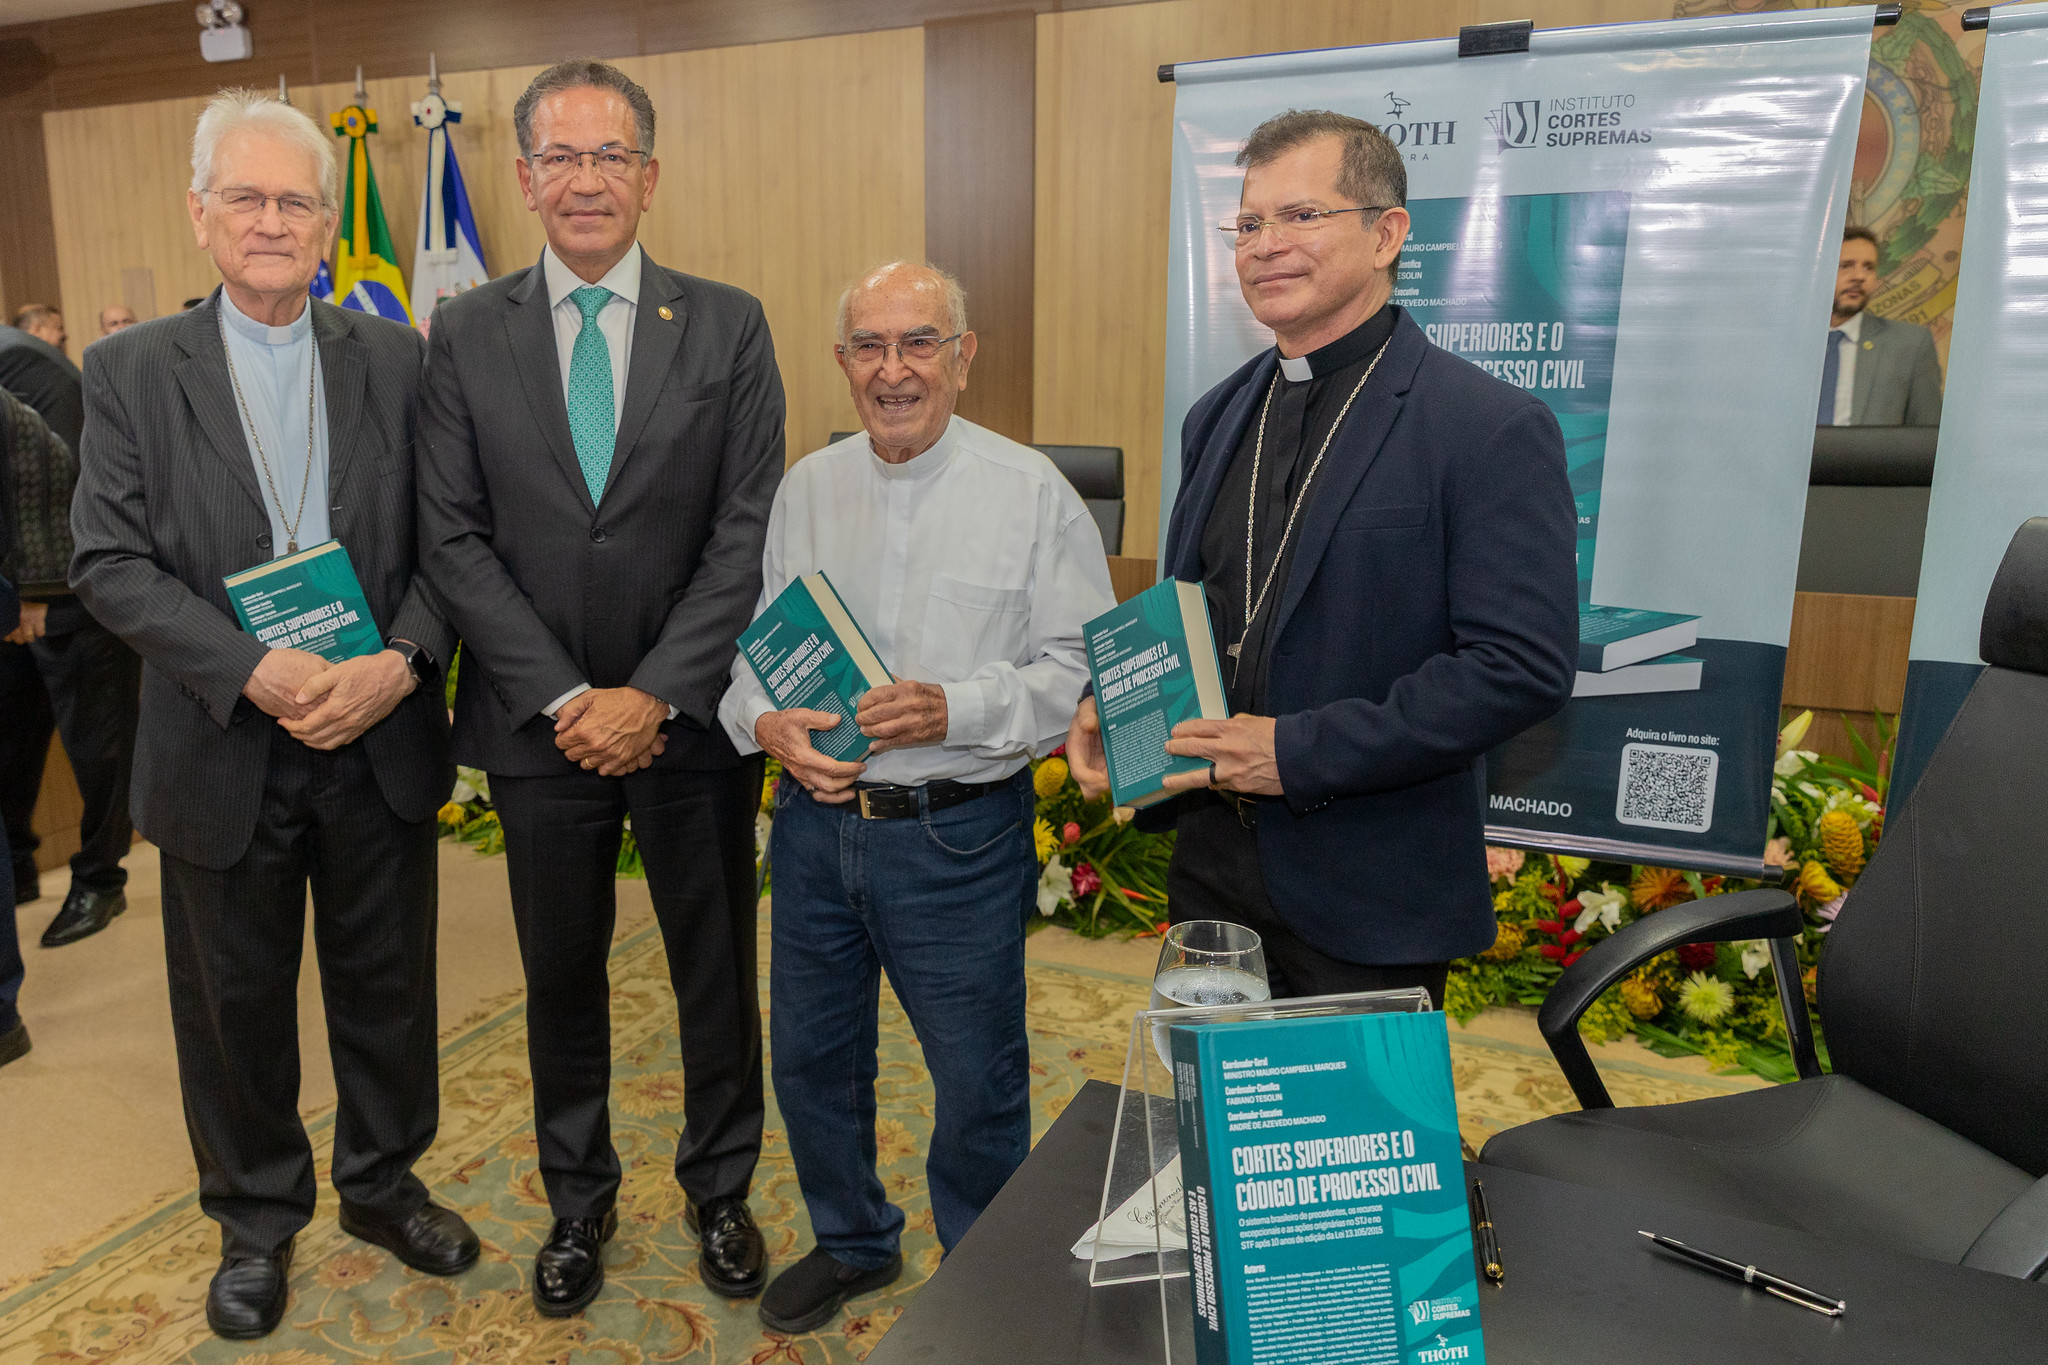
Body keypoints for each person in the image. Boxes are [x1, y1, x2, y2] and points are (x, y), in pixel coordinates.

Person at [69, 89, 477, 1339]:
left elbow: (448, 544)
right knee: (232, 1000)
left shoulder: (401, 357)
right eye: (244, 197)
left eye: (295, 199)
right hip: (222, 738)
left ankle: (382, 1183)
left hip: (376, 730)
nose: (272, 219)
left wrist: (398, 662)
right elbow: (107, 561)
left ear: (322, 224)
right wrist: (249, 666)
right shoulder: (129, 371)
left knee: (387, 985)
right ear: (200, 216)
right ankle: (255, 1222)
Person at [417, 58, 783, 1318]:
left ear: (649, 175)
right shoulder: (461, 334)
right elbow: (451, 536)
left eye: (609, 156)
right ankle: (577, 1202)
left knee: (714, 970)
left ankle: (719, 1187)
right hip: (539, 732)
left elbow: (747, 530)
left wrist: (658, 695)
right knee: (558, 975)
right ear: (522, 178)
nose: (585, 180)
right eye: (560, 159)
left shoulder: (726, 323)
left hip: (690, 729)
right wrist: (570, 699)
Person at [1067, 109, 1577, 1006]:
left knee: (1356, 1145)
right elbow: (1199, 605)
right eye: (1251, 224)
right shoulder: (1218, 414)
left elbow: (1519, 667)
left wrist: (1298, 752)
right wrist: (1114, 706)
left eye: (1301, 216)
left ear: (1387, 234)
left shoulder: (1486, 427)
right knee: (1214, 1125)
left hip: (1367, 882)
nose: (1266, 245)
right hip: (1212, 871)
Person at [718, 261, 1113, 1332]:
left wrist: (958, 707)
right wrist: (764, 725)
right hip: (812, 830)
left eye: (918, 343)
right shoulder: (808, 486)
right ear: (842, 362)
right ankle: (851, 1242)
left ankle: (982, 1270)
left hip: (954, 836)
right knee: (811, 1059)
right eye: (868, 348)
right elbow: (759, 656)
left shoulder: (1029, 491)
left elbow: (1078, 673)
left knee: (975, 1079)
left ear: (963, 354)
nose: (892, 372)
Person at [0, 382, 142, 944]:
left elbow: (46, 459)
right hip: (12, 596)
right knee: (12, 740)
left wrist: (35, 586)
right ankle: (17, 870)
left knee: (99, 745)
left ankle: (101, 879)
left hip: (63, 594)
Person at [1820, 226, 1942, 427]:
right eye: (1846, 265)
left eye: (1869, 267)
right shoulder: (1783, 342)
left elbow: (1927, 437)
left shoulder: (1910, 345)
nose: (1859, 276)